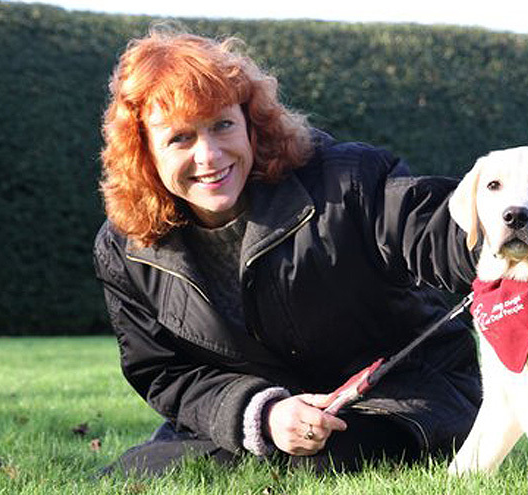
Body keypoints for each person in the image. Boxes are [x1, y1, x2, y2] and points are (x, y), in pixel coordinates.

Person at [93, 26, 481, 476]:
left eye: (223, 125)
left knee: (327, 458)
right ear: (144, 152)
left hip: (402, 397)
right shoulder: (123, 249)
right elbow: (165, 373)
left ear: (251, 125)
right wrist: (264, 415)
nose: (210, 156)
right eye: (181, 138)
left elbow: (428, 226)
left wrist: (496, 239)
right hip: (264, 419)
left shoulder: (347, 179)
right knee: (132, 474)